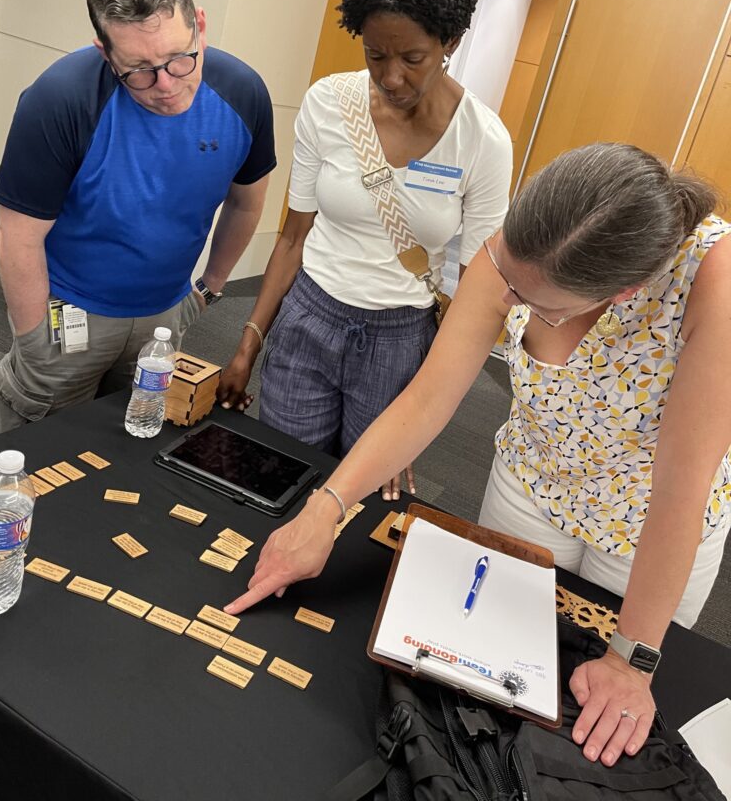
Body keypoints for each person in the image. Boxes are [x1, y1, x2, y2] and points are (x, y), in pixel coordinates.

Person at [225, 143, 731, 769]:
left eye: (534, 303)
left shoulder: (715, 283)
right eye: (510, 284)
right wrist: (326, 506)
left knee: (599, 713)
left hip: (644, 526)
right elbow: (428, 397)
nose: (509, 301)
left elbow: (680, 491)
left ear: (622, 294)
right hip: (531, 481)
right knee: (492, 679)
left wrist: (634, 659)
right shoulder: (528, 243)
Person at [216, 0, 512, 496]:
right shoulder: (330, 103)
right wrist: (249, 342)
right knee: (278, 478)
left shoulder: (483, 141)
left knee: (361, 499)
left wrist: (422, 409)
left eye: (413, 57)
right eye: (375, 54)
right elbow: (292, 238)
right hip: (307, 319)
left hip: (399, 340)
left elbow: (480, 288)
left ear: (450, 41)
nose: (391, 76)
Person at [0, 0, 275, 445]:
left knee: (124, 447)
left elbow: (246, 201)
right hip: (68, 312)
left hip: (167, 315)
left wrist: (209, 290)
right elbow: (17, 235)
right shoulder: (59, 99)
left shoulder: (244, 94)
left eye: (179, 59)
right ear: (105, 52)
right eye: (139, 70)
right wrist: (33, 343)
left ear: (199, 24)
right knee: (17, 447)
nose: (167, 84)